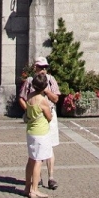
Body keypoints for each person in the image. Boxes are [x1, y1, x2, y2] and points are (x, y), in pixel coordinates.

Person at [19, 56, 60, 189]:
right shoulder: (30, 81)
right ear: (35, 67)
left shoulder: (51, 80)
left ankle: (51, 177)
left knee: (50, 146)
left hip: (49, 115)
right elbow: (21, 98)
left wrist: (46, 90)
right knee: (36, 152)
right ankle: (38, 180)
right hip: (36, 121)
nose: (43, 70)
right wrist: (30, 112)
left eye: (45, 67)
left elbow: (56, 98)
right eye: (40, 67)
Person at [23, 72, 53, 198]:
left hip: (30, 131)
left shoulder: (29, 96)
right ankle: (34, 190)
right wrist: (50, 111)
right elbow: (49, 117)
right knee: (38, 161)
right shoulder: (42, 100)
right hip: (41, 133)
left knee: (31, 160)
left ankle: (27, 186)